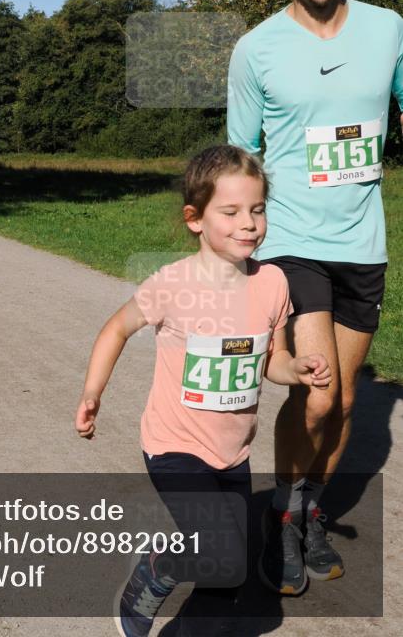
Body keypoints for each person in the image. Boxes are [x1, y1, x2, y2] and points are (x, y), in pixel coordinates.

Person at [75, 145, 331, 636]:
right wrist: (92, 393)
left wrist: (296, 369)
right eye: (230, 212)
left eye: (257, 209)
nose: (248, 223)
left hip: (233, 455)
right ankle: (158, 567)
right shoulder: (173, 284)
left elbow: (271, 359)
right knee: (222, 553)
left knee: (226, 584)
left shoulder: (273, 282)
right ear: (195, 219)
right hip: (175, 447)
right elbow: (116, 329)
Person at [227, 0, 403, 595]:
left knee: (350, 403)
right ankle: (280, 519)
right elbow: (240, 156)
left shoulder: (389, 29)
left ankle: (309, 513)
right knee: (320, 394)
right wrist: (233, 250)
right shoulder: (257, 48)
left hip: (363, 240)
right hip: (291, 238)